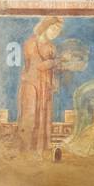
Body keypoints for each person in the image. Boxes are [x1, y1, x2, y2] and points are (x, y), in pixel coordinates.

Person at [18, 17, 63, 152]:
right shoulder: (31, 43)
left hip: (45, 85)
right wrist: (56, 62)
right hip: (31, 83)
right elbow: (38, 66)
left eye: (58, 31)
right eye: (54, 29)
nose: (56, 33)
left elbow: (52, 68)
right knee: (29, 114)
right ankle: (25, 148)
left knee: (43, 115)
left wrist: (61, 66)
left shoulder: (51, 47)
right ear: (46, 26)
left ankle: (40, 148)